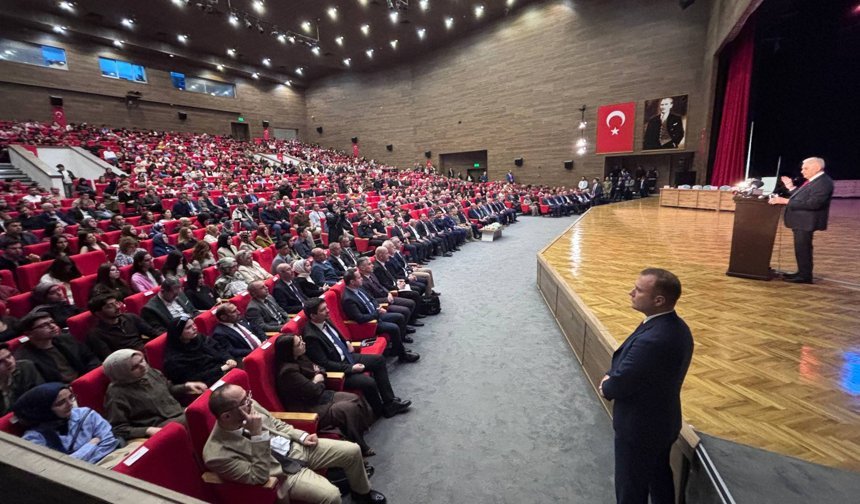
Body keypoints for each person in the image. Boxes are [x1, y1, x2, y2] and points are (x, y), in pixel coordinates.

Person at [598, 268, 694, 504]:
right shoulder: (673, 326)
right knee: (658, 477)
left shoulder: (655, 338)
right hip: (662, 421)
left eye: (639, 290)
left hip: (639, 428)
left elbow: (622, 383)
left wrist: (607, 385)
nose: (631, 292)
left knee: (631, 489)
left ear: (659, 300)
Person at [203, 382, 386, 504]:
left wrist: (301, 436)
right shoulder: (217, 454)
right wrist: (258, 436)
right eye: (244, 401)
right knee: (331, 496)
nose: (250, 401)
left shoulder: (252, 405)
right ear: (226, 416)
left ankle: (361, 494)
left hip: (296, 447)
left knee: (352, 450)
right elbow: (258, 477)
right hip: (281, 473)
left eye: (248, 396)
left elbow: (277, 424)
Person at [302, 297, 410, 419]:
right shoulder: (310, 337)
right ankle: (379, 411)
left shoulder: (325, 320)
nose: (328, 310)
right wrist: (351, 368)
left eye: (327, 307)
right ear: (313, 316)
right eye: (323, 309)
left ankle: (390, 402)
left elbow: (337, 335)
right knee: (368, 382)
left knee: (378, 360)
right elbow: (325, 364)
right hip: (339, 369)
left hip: (347, 356)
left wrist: (347, 341)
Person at [274, 334, 375, 456]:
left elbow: (320, 368)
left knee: (354, 398)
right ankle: (359, 446)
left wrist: (317, 378)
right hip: (309, 407)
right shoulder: (288, 372)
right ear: (290, 351)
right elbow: (314, 391)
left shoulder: (301, 357)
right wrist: (317, 379)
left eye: (301, 340)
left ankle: (359, 432)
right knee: (348, 408)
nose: (303, 343)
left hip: (320, 396)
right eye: (299, 344)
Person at [102, 349, 206, 440]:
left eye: (142, 360)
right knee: (200, 415)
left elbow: (168, 388)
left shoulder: (148, 372)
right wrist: (147, 430)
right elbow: (119, 429)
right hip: (159, 425)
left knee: (205, 405)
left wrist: (186, 386)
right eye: (135, 367)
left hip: (177, 411)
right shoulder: (116, 393)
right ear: (122, 372)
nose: (143, 366)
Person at [13, 383, 119, 465]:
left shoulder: (85, 413)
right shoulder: (33, 438)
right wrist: (91, 445)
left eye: (70, 397)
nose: (70, 404)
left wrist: (81, 459)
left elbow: (109, 442)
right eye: (60, 403)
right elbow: (60, 468)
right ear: (45, 410)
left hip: (108, 459)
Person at [767, 157, 834, 284]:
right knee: (801, 248)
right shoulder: (813, 180)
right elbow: (801, 196)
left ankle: (805, 276)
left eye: (806, 168)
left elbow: (814, 203)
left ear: (817, 168)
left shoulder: (824, 182)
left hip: (806, 221)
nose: (802, 171)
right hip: (801, 220)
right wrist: (790, 186)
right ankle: (801, 272)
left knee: (803, 248)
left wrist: (785, 201)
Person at [14, 311, 99, 383]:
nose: (52, 326)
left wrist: (89, 377)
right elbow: (40, 384)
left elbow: (91, 358)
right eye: (44, 325)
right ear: (29, 334)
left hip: (85, 381)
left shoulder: (66, 339)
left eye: (52, 322)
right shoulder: (25, 359)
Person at [163, 316, 236, 386]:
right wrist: (221, 369)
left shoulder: (200, 338)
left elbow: (219, 348)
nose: (194, 328)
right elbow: (193, 379)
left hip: (225, 368)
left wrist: (228, 358)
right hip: (207, 384)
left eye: (193, 324)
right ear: (178, 334)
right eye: (188, 328)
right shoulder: (174, 359)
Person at [87, 295, 159, 360]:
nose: (117, 307)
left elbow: (154, 333)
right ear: (98, 313)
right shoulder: (96, 334)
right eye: (110, 306)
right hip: (130, 362)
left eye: (116, 303)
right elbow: (111, 359)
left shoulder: (131, 317)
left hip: (147, 352)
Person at [0, 342, 45, 416]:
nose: (9, 362)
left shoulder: (26, 367)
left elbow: (42, 394)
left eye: (9, 356)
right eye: (1, 361)